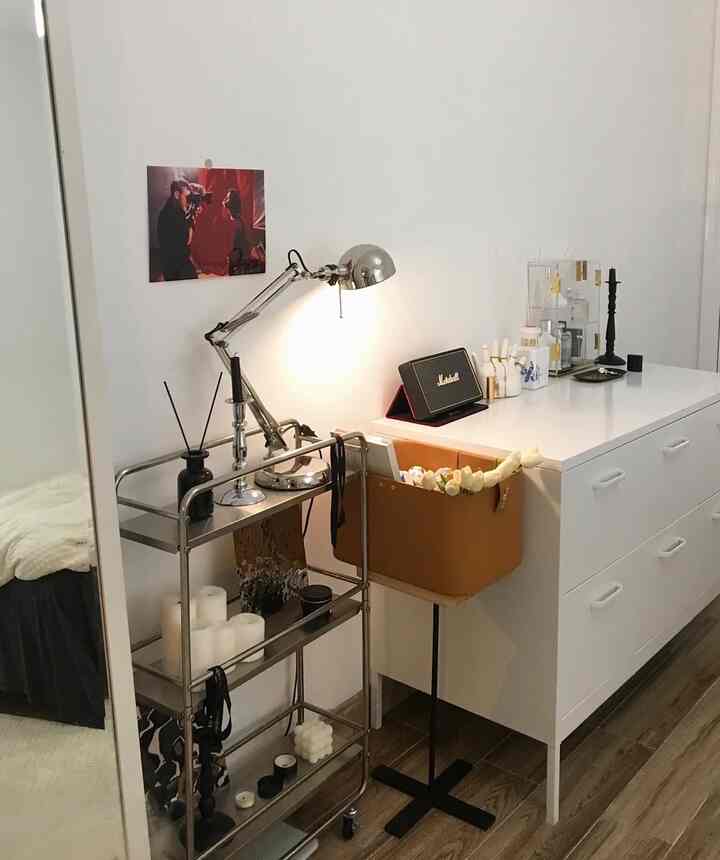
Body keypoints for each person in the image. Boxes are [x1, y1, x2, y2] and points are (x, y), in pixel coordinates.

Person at [156, 179, 197, 281]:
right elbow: (188, 240)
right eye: (186, 197)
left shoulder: (167, 210)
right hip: (178, 267)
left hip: (170, 265)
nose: (188, 201)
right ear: (177, 195)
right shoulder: (176, 214)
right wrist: (191, 218)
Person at [222, 188, 250, 276]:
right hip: (233, 257)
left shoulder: (236, 221)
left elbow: (233, 242)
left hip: (236, 258)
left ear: (233, 202)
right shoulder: (232, 218)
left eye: (228, 198)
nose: (225, 200)